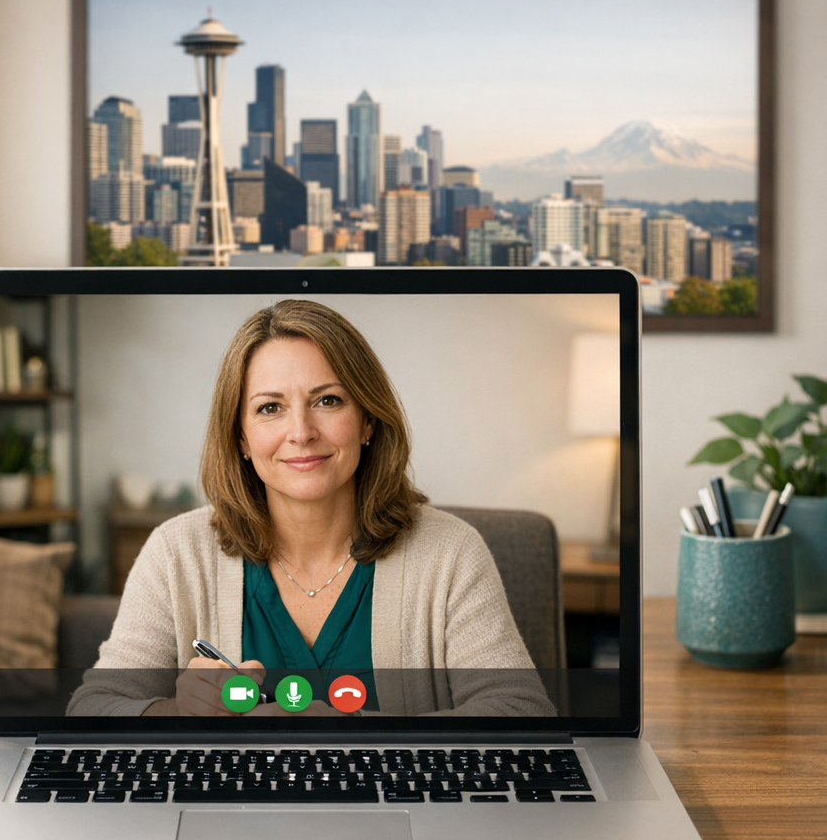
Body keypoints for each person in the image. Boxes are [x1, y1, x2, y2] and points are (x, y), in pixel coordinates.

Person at [68, 299, 553, 717]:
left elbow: (521, 710)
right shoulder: (176, 552)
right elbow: (93, 707)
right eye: (270, 408)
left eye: (328, 400)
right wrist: (178, 712)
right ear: (241, 437)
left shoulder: (451, 551)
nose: (301, 432)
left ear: (367, 420)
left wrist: (353, 736)